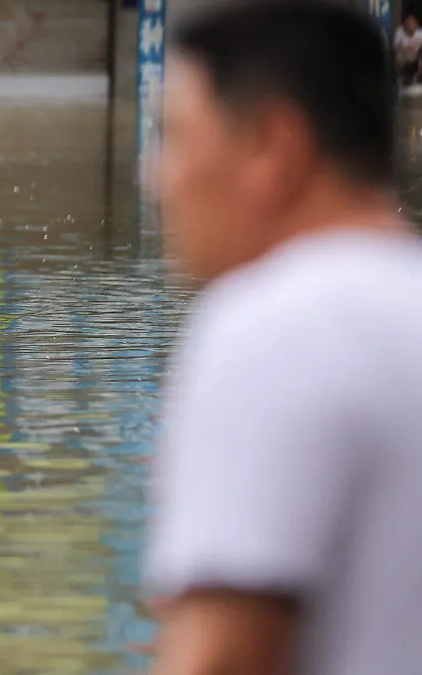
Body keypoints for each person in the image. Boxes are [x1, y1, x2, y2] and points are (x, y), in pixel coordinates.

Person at [145, 1, 422, 674]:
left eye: (179, 137)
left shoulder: (274, 329)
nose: (158, 178)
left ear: (274, 145)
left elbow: (222, 654)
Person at [395, 14, 422, 86]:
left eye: (412, 24)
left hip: (416, 57)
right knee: (401, 55)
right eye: (408, 24)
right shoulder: (400, 32)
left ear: (416, 25)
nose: (410, 26)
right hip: (404, 58)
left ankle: (419, 78)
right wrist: (406, 49)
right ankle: (400, 78)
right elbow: (395, 49)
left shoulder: (420, 33)